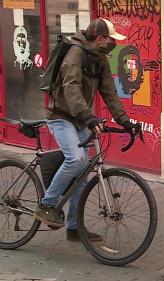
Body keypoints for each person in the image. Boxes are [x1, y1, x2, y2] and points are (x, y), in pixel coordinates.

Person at [33, 18, 140, 241]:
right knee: (76, 159)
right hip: (60, 116)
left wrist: (125, 121)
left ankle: (74, 228)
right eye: (111, 40)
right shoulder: (75, 54)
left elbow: (109, 93)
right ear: (100, 39)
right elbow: (71, 89)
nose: (113, 44)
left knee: (82, 174)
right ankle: (47, 204)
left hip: (80, 119)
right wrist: (89, 118)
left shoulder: (99, 58)